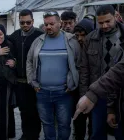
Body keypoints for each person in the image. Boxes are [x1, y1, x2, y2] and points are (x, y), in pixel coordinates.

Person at [26, 11, 80, 140]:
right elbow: (29, 61)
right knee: (47, 124)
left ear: (59, 23)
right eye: (46, 24)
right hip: (42, 92)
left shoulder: (71, 40)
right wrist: (32, 82)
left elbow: (79, 64)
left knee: (64, 125)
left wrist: (72, 83)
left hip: (63, 93)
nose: (48, 27)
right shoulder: (38, 41)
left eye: (51, 24)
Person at [79, 5, 124, 140]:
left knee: (120, 133)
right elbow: (84, 70)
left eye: (107, 21)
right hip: (98, 95)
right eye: (100, 22)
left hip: (121, 97)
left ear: (116, 16)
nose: (104, 26)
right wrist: (85, 96)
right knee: (97, 133)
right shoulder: (90, 39)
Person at [9, 9, 43, 140]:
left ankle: (34, 135)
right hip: (20, 81)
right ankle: (25, 135)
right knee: (23, 110)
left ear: (33, 21)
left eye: (28, 22)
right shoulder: (14, 36)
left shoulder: (40, 35)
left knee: (35, 111)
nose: (25, 25)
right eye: (22, 22)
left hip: (35, 81)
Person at [74, 58, 124, 135]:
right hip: (96, 96)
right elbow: (119, 71)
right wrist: (88, 95)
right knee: (97, 132)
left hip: (112, 98)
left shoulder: (118, 48)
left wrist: (111, 108)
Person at [72, 18, 95, 140]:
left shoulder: (97, 45)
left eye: (83, 35)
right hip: (78, 90)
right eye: (77, 36)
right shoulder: (74, 47)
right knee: (79, 121)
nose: (80, 39)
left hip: (94, 90)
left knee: (94, 123)